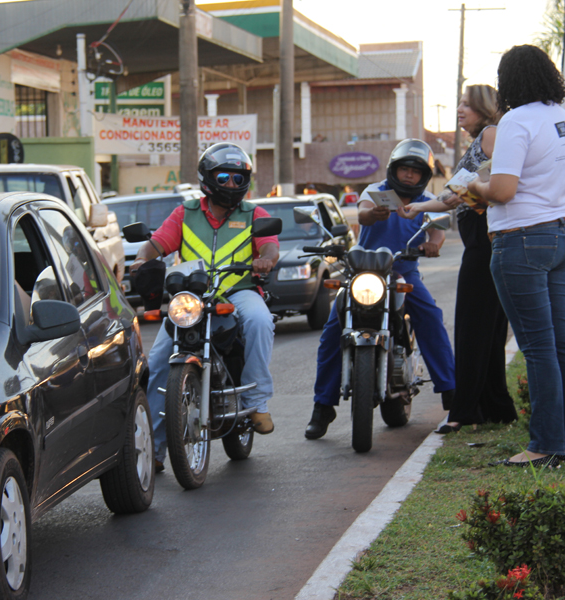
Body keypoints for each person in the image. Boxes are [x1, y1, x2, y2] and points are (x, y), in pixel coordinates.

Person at [129, 142, 280, 473]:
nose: (230, 184)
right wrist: (141, 260)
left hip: (237, 291)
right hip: (192, 297)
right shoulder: (186, 212)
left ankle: (256, 402)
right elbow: (156, 244)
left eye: (237, 178)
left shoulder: (255, 214)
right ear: (207, 178)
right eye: (223, 176)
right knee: (156, 365)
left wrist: (265, 261)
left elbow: (269, 247)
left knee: (259, 320)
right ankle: (154, 450)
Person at [305, 139, 456, 439]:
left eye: (415, 171)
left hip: (403, 272)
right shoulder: (375, 192)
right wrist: (374, 215)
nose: (409, 176)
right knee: (333, 331)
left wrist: (432, 245)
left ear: (424, 175)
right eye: (404, 169)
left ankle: (452, 395)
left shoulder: (426, 201)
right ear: (393, 169)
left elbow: (438, 229)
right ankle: (323, 406)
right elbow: (362, 213)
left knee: (431, 318)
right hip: (364, 271)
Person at [399, 85, 517, 434]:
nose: (460, 110)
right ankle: (495, 408)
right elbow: (453, 197)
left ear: (484, 108)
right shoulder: (477, 141)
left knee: (473, 328)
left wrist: (429, 204)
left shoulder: (493, 134)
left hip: (485, 245)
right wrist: (419, 206)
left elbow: (493, 186)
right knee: (487, 330)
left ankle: (465, 411)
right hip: (479, 246)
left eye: (466, 104)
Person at [467, 45, 565, 468]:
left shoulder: (516, 120)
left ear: (509, 81)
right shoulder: (560, 114)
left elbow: (503, 191)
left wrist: (475, 186)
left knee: (539, 349)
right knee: (559, 348)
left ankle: (545, 444)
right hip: (560, 234)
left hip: (521, 239)